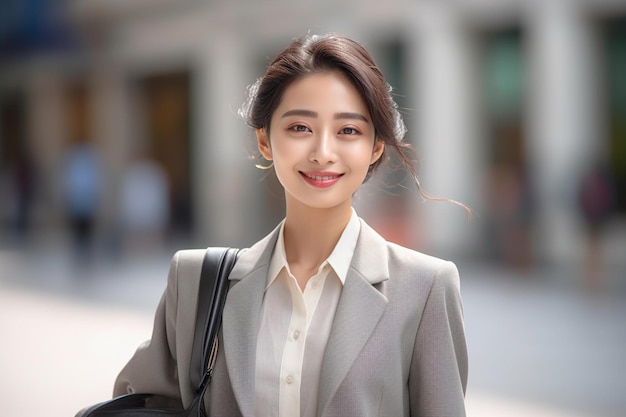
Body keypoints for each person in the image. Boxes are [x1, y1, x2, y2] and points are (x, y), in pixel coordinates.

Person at [80, 33, 468, 416]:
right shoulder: (196, 283)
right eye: (300, 127)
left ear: (375, 148)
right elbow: (137, 405)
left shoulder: (425, 289)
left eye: (348, 130)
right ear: (264, 140)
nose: (322, 152)